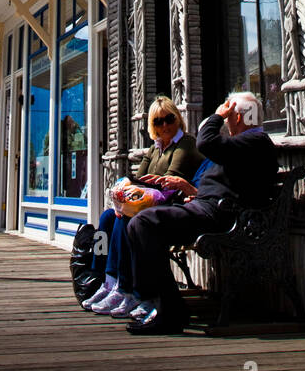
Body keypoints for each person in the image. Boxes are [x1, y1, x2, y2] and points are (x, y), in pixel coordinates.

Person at [124, 92, 278, 334]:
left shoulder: (254, 143)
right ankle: (155, 301)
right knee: (136, 223)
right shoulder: (242, 145)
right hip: (205, 207)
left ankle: (166, 309)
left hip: (218, 217)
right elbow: (227, 185)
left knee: (144, 223)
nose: (226, 122)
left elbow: (205, 142)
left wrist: (217, 115)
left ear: (238, 117)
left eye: (229, 116)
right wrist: (194, 192)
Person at [83, 97, 201, 319]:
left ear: (178, 118)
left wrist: (136, 189)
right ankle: (104, 279)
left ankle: (126, 288)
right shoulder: (154, 148)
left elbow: (169, 179)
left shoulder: (185, 142)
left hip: (170, 206)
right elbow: (136, 178)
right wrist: (125, 193)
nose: (165, 125)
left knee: (124, 218)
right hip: (147, 203)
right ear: (152, 125)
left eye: (169, 119)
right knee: (107, 217)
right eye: (158, 122)